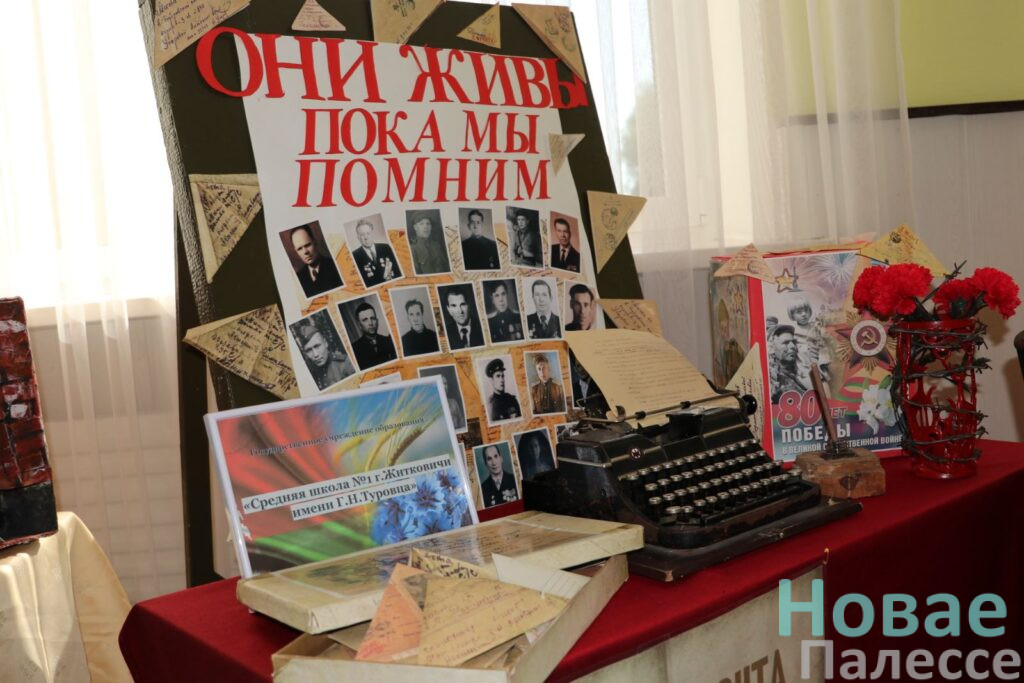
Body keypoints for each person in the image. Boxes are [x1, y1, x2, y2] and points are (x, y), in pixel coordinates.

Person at [294, 322, 354, 389]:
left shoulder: (346, 363)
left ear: (325, 343)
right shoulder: (309, 374)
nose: (315, 354)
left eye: (317, 346)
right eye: (309, 350)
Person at [290, 225, 343, 297]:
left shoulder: (336, 266)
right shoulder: (298, 278)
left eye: (308, 245)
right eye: (299, 249)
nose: (305, 252)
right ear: (296, 251)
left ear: (315, 242)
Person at [352, 219, 401, 287]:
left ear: (372, 234)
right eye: (362, 234)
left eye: (368, 233)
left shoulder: (386, 248)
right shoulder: (354, 256)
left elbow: (398, 272)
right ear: (358, 237)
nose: (366, 237)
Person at [349, 301, 397, 369]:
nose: (370, 323)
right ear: (359, 325)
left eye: (372, 318)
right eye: (365, 320)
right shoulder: (354, 349)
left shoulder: (388, 341)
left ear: (377, 321)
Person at [768, 324, 808, 402]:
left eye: (794, 342)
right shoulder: (773, 379)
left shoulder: (794, 374)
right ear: (772, 347)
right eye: (785, 343)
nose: (792, 346)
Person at [407, 211, 450, 275]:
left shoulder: (437, 246)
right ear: (415, 227)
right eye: (421, 224)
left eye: (428, 224)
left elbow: (447, 268)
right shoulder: (412, 249)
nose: (425, 227)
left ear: (431, 227)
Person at [484, 358, 521, 422]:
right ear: (492, 381)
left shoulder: (512, 399)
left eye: (503, 376)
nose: (502, 380)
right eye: (498, 376)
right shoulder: (490, 405)